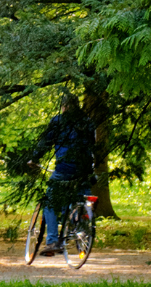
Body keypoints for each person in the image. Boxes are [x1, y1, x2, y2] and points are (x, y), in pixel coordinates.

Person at [12, 93, 94, 254]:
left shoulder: (58, 121)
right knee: (82, 196)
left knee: (49, 202)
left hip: (65, 168)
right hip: (85, 170)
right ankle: (80, 225)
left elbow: (45, 142)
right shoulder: (88, 122)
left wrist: (34, 159)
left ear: (65, 106)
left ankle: (52, 242)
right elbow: (91, 146)